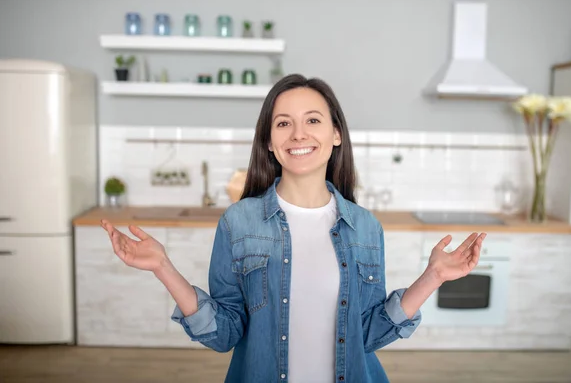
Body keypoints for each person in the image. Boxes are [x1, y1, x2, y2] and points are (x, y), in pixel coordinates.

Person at [100, 74, 486, 383]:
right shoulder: (240, 222)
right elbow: (225, 333)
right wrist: (163, 267)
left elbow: (368, 335)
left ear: (336, 135)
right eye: (283, 123)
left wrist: (433, 276)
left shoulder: (365, 227)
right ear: (269, 142)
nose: (298, 134)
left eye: (313, 121)